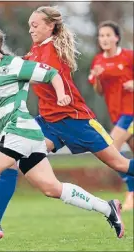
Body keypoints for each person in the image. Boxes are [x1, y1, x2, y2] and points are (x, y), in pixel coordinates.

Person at [0, 29, 126, 240]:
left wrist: (62, 95)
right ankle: (108, 208)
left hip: (19, 130)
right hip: (30, 137)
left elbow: (51, 73)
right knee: (52, 188)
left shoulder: (13, 66)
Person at [0, 6, 134, 238]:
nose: (30, 29)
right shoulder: (35, 49)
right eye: (30, 25)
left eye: (35, 25)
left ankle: (110, 208)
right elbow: (19, 64)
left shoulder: (54, 49)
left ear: (50, 26)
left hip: (76, 120)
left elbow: (43, 72)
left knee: (121, 165)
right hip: (47, 123)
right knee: (13, 160)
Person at [89, 20, 133, 211]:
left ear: (116, 38)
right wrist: (98, 77)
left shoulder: (129, 56)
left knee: (111, 150)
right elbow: (98, 91)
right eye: (101, 36)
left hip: (130, 112)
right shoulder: (98, 61)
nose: (105, 39)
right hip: (116, 114)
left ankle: (131, 191)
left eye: (108, 35)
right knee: (124, 157)